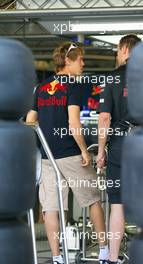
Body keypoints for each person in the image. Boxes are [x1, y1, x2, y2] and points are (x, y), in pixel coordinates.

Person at [26, 42, 108, 264]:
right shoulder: (73, 86)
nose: (83, 63)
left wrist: (44, 142)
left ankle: (57, 257)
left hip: (47, 157)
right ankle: (103, 253)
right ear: (68, 61)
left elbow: (31, 121)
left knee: (51, 208)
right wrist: (84, 150)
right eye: (80, 59)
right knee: (93, 200)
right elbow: (74, 124)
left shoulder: (41, 87)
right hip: (71, 154)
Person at [96, 35, 142, 264]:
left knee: (117, 204)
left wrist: (101, 151)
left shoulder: (111, 78)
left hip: (118, 146)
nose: (116, 52)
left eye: (117, 49)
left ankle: (112, 259)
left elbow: (104, 117)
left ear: (125, 49)